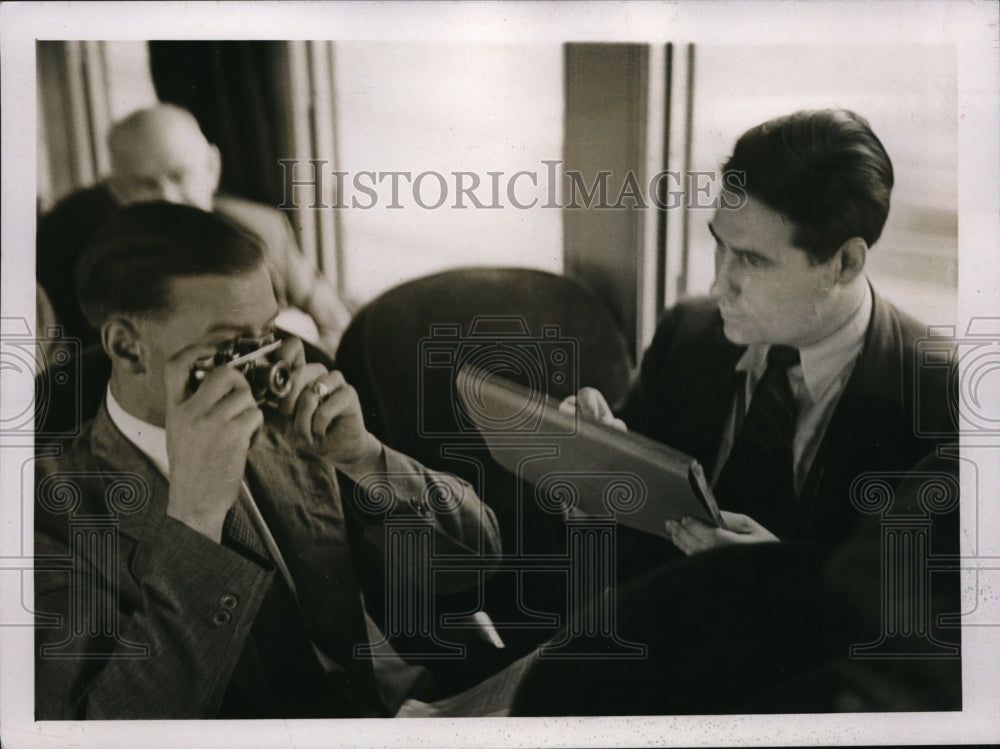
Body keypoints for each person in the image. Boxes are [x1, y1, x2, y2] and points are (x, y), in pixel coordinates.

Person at [34, 203, 515, 719]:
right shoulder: (47, 510)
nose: (262, 363)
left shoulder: (289, 418)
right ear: (128, 348)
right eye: (226, 345)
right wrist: (195, 520)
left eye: (263, 334)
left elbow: (474, 562)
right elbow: (101, 726)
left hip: (415, 703)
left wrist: (366, 459)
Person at [567, 109, 954, 568]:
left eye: (752, 260)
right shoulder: (686, 333)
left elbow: (939, 620)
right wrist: (594, 482)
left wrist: (785, 583)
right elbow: (627, 550)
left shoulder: (944, 397)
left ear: (846, 263)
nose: (718, 286)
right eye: (719, 245)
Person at [36, 104, 351, 355]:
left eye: (179, 176)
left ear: (212, 167)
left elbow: (335, 326)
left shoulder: (264, 227)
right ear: (119, 191)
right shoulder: (96, 269)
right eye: (146, 185)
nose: (168, 198)